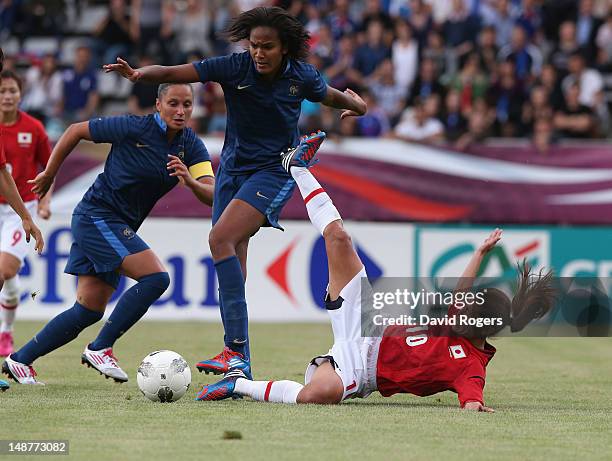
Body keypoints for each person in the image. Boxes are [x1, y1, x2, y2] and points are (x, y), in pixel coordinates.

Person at [103, 6, 367, 376]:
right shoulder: (234, 66)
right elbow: (179, 72)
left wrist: (357, 104)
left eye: (267, 47)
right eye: (254, 45)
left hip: (272, 170)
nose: (258, 53)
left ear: (284, 48)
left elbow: (330, 96)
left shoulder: (300, 76)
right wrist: (137, 74)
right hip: (231, 171)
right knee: (231, 259)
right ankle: (238, 363)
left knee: (220, 239)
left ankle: (235, 352)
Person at [196, 141, 556, 410]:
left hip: (363, 370)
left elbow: (471, 398)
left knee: (316, 396)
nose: (457, 305)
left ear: (481, 326)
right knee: (339, 237)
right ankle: (297, 167)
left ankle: (238, 384)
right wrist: (479, 253)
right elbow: (463, 289)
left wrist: (476, 408)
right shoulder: (459, 320)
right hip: (369, 324)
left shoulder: (471, 366)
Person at [2, 83, 215, 385]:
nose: (180, 111)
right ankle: (101, 347)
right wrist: (49, 174)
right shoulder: (132, 127)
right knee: (157, 278)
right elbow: (76, 130)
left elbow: (212, 191)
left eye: (187, 105)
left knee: (88, 309)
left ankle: (19, 361)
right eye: (173, 103)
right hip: (97, 216)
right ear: (158, 104)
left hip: (111, 223)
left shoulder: (190, 145)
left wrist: (191, 183)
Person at [0, 70, 52, 358]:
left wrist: (44, 202)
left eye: (12, 91)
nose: (7, 96)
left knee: (6, 270)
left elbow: (49, 168)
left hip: (19, 210)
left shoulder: (33, 129)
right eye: (2, 91)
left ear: (21, 94)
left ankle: (5, 332)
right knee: (7, 279)